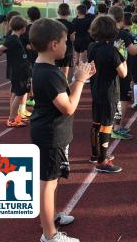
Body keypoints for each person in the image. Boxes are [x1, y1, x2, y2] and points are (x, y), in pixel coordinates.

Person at [29, 18, 96, 242]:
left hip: (51, 132)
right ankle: (49, 235)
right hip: (50, 134)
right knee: (48, 182)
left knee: (53, 179)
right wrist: (79, 80)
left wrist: (78, 79)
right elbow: (68, 107)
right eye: (65, 42)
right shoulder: (49, 73)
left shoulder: (44, 68)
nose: (68, 46)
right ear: (53, 45)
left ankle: (53, 217)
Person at [87, 15, 126, 173]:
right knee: (107, 125)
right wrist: (122, 54)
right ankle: (103, 161)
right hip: (110, 92)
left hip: (96, 90)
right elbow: (123, 73)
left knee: (96, 123)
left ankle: (95, 155)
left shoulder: (91, 47)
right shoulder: (113, 50)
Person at [0, 16, 33, 126]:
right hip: (18, 72)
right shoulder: (12, 39)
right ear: (23, 28)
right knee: (19, 95)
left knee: (16, 94)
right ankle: (11, 119)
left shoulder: (15, 38)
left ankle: (15, 117)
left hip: (19, 70)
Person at [109, 6, 137, 140]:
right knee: (123, 99)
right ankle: (117, 127)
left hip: (106, 69)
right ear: (121, 19)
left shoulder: (103, 31)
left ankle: (110, 126)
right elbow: (133, 51)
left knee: (111, 98)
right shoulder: (123, 34)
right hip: (122, 69)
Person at [55, 3, 75, 81]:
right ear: (69, 12)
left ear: (58, 12)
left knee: (55, 69)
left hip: (55, 47)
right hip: (67, 48)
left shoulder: (54, 23)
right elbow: (72, 39)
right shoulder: (71, 25)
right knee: (65, 71)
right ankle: (64, 87)